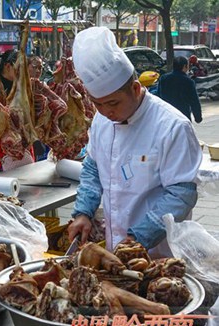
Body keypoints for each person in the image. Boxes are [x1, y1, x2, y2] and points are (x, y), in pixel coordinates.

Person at [66, 27, 202, 258]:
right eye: (98, 104)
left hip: (159, 253)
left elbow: (181, 194)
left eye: (113, 103)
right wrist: (83, 212)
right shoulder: (101, 120)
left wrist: (139, 237)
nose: (106, 112)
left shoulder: (172, 126)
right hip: (115, 247)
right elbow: (93, 168)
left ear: (136, 88)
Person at [0, 49, 34, 174]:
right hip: (2, 158)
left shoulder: (23, 91)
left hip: (24, 154)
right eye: (20, 68)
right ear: (8, 66)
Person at [157, 56, 202, 124]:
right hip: (183, 117)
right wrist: (198, 117)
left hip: (166, 116)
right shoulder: (188, 82)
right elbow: (194, 101)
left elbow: (159, 97)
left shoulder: (163, 79)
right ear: (184, 66)